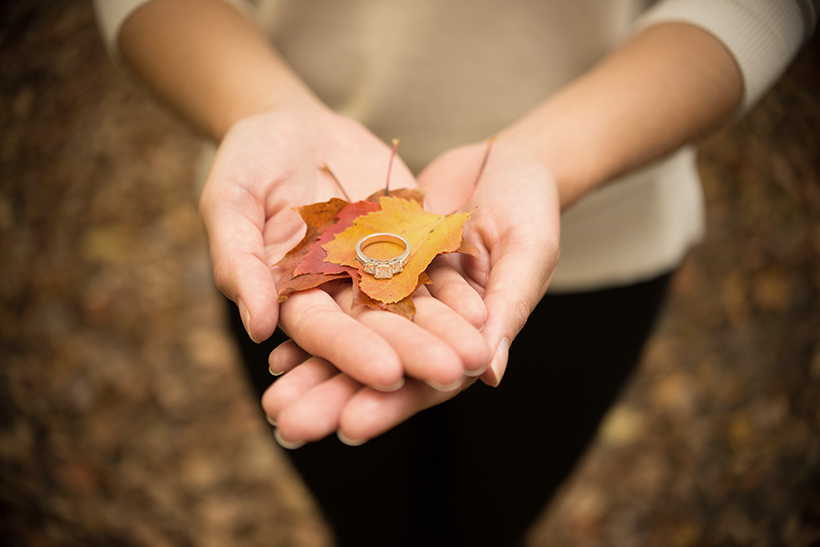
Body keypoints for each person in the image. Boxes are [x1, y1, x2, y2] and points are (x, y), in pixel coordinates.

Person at [95, 0, 816, 545]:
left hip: (598, 243)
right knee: (364, 510)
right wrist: (262, 108)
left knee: (492, 519)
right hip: (285, 214)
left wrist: (545, 158)